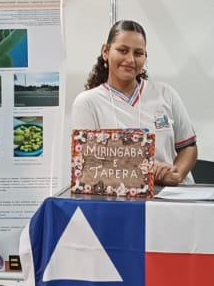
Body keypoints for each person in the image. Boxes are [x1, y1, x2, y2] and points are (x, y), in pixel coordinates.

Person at [67, 19, 197, 187]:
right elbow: (88, 167)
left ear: (145, 57)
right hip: (119, 197)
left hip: (171, 195)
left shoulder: (166, 94)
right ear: (105, 51)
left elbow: (189, 147)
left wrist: (175, 174)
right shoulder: (87, 103)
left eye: (138, 53)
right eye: (123, 51)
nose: (130, 59)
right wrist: (148, 175)